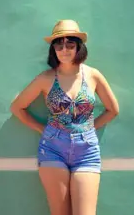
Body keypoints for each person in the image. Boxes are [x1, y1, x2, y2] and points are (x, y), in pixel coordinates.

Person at [10, 20, 120, 215]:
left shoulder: (93, 76)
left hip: (87, 151)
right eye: (59, 45)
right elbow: (18, 107)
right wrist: (42, 129)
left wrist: (91, 128)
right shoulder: (46, 78)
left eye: (70, 44)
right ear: (54, 50)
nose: (65, 49)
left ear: (79, 47)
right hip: (53, 149)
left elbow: (113, 109)